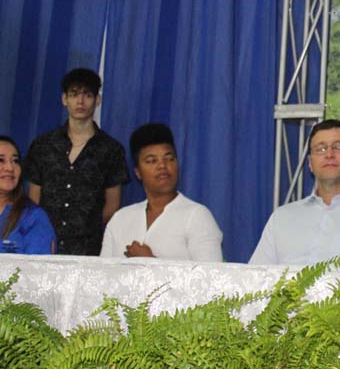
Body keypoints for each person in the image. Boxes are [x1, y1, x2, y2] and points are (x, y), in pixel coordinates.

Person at [24, 68, 130, 255]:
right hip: (44, 245)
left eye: (87, 95)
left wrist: (87, 228)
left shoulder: (111, 149)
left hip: (89, 250)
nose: (80, 101)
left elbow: (113, 206)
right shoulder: (43, 145)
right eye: (74, 94)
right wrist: (40, 232)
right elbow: (34, 199)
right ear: (64, 99)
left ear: (97, 100)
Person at [250, 119, 340, 266]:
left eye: (338, 147)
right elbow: (255, 277)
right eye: (320, 149)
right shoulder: (282, 217)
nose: (329, 154)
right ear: (310, 163)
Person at [100, 124, 222, 261]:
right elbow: (103, 276)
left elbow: (210, 278)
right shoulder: (120, 219)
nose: (162, 166)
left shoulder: (197, 216)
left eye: (169, 158)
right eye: (152, 161)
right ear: (138, 173)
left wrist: (151, 262)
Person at [0, 136, 56, 254]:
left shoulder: (33, 217)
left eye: (15, 161)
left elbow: (37, 269)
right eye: (1, 160)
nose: (10, 168)